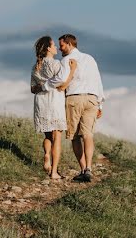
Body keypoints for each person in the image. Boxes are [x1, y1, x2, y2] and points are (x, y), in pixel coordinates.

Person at [56, 33, 105, 182]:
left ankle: (83, 169)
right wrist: (100, 104)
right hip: (92, 98)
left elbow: (62, 81)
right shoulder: (90, 58)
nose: (59, 49)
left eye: (62, 45)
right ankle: (89, 168)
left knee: (75, 136)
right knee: (88, 134)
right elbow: (98, 80)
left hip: (74, 98)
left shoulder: (65, 60)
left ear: (70, 44)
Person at [30, 35, 75, 180]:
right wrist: (72, 70)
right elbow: (62, 80)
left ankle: (47, 155)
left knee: (48, 135)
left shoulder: (36, 66)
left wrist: (42, 86)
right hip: (54, 100)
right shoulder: (55, 64)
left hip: (41, 101)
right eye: (54, 45)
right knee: (57, 136)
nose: (56, 47)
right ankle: (54, 172)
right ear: (48, 48)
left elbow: (32, 89)